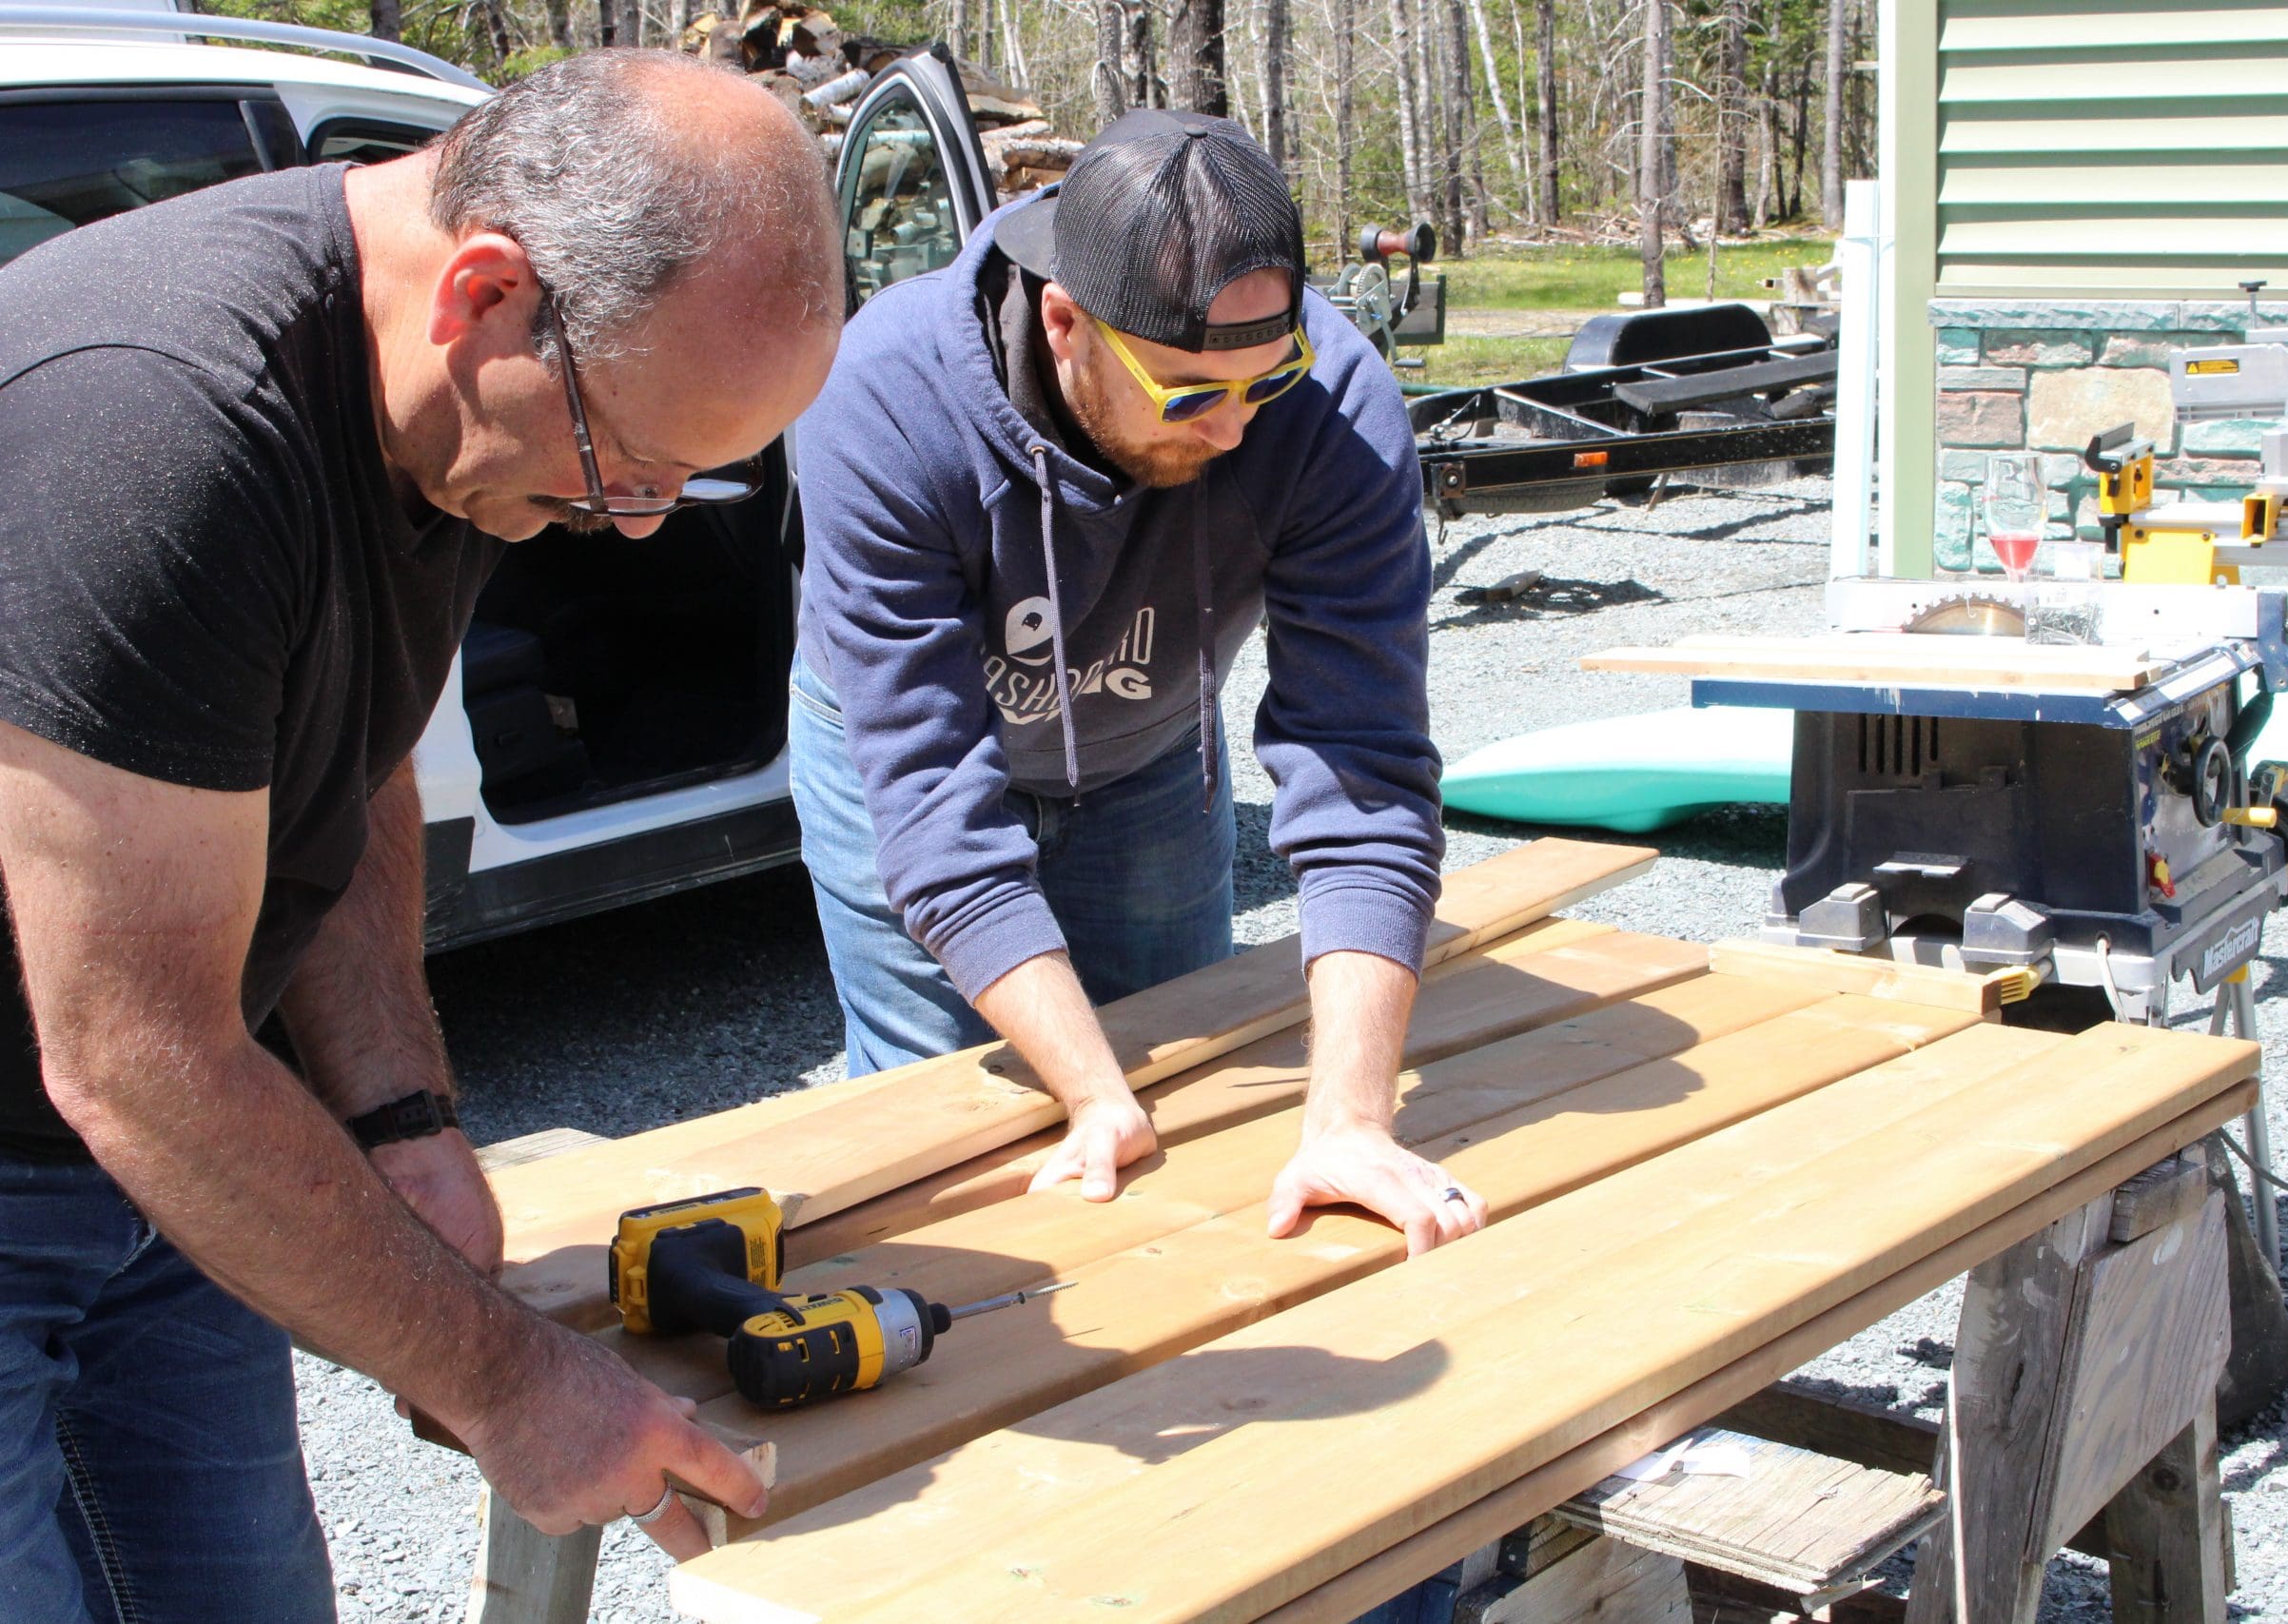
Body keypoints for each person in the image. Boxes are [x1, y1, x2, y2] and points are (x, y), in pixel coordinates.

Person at [0, 50, 839, 1620]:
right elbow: (125, 1052)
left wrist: (397, 1115)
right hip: (111, 1099)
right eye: (625, 464)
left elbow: (341, 759)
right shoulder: (169, 424)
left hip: (162, 1156)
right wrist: (516, 1381)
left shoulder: (441, 430)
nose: (639, 524)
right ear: (488, 293)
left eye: (685, 485)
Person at [790, 109, 1482, 1259]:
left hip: (1151, 756)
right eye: (1184, 394)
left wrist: (1351, 1120)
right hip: (902, 772)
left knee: (1190, 1126)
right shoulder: (883, 396)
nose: (1229, 430)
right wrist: (1092, 1090)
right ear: (1064, 319)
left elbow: (1360, 767)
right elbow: (932, 809)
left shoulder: (1333, 408)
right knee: (950, 1153)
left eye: (1266, 382)